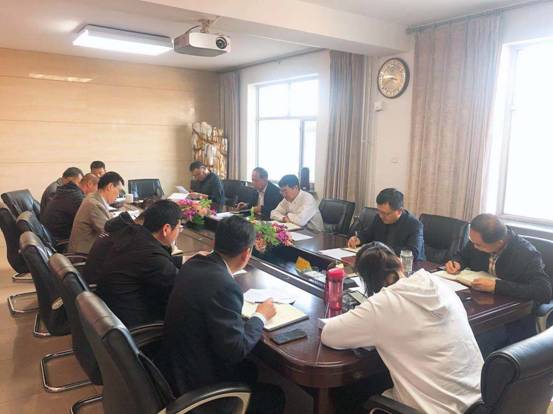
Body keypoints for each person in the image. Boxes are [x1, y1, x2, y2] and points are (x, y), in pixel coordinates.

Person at [321, 242, 483, 414]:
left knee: (345, 394)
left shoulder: (383, 304)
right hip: (480, 402)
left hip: (431, 409)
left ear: (370, 282)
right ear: (399, 262)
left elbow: (329, 335)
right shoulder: (439, 283)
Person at [159, 216, 285, 414]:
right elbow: (236, 350)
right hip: (193, 386)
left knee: (250, 370)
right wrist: (260, 316)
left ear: (215, 242)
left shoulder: (193, 264)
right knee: (275, 396)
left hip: (173, 368)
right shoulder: (224, 286)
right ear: (247, 253)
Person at [445, 214, 552, 354]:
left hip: (510, 316)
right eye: (472, 241)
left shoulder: (526, 253)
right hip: (482, 304)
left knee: (472, 340)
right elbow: (463, 255)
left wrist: (496, 286)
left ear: (499, 242)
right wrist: (457, 263)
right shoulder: (478, 241)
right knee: (450, 326)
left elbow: (543, 291)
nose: (474, 246)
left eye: (478, 245)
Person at [89, 200, 184, 328]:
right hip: (134, 325)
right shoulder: (150, 255)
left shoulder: (135, 236)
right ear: (166, 229)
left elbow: (158, 264)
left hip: (111, 313)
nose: (179, 232)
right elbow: (181, 287)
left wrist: (185, 260)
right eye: (179, 228)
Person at [347, 188, 425, 260]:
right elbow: (367, 234)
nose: (381, 216)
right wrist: (358, 239)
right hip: (382, 262)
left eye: (385, 213)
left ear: (400, 211)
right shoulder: (378, 218)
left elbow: (413, 252)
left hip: (409, 267)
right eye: (379, 211)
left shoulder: (414, 225)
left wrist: (381, 249)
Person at [68, 171, 124, 254]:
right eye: (119, 191)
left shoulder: (93, 197)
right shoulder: (94, 204)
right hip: (84, 254)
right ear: (110, 187)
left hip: (89, 248)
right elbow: (110, 232)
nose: (118, 195)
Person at [42, 173, 98, 242]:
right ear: (89, 184)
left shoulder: (69, 191)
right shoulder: (76, 197)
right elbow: (90, 221)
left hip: (52, 234)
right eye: (97, 188)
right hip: (61, 239)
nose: (96, 192)